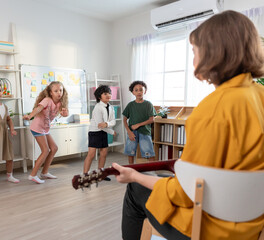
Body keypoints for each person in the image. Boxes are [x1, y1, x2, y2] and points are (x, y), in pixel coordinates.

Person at [113, 10, 264, 240]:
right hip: (252, 224)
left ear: (213, 53)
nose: (193, 58)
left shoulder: (212, 109)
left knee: (135, 191)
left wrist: (134, 176)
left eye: (194, 51)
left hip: (209, 228)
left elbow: (184, 193)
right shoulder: (260, 95)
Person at [23, 81, 69, 184]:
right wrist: (30, 116)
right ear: (51, 92)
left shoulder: (60, 103)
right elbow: (38, 108)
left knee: (54, 148)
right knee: (45, 150)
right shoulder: (47, 100)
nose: (59, 93)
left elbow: (65, 113)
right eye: (56, 91)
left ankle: (44, 172)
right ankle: (33, 175)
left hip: (45, 129)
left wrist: (65, 114)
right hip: (37, 128)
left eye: (60, 90)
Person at [83, 85, 116, 181]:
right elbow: (99, 125)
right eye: (105, 94)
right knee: (91, 154)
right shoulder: (98, 107)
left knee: (104, 153)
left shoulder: (111, 107)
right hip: (94, 132)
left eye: (109, 93)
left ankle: (100, 174)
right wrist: (111, 131)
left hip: (104, 131)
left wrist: (106, 124)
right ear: (99, 96)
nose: (108, 95)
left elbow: (113, 121)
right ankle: (85, 175)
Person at [122, 81, 156, 164]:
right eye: (136, 90)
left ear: (145, 91)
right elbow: (124, 119)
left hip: (144, 132)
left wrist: (138, 125)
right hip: (132, 132)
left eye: (141, 90)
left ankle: (151, 170)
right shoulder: (130, 105)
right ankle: (131, 168)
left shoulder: (148, 104)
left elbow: (152, 119)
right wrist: (129, 132)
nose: (139, 92)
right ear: (133, 92)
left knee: (149, 152)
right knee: (130, 152)